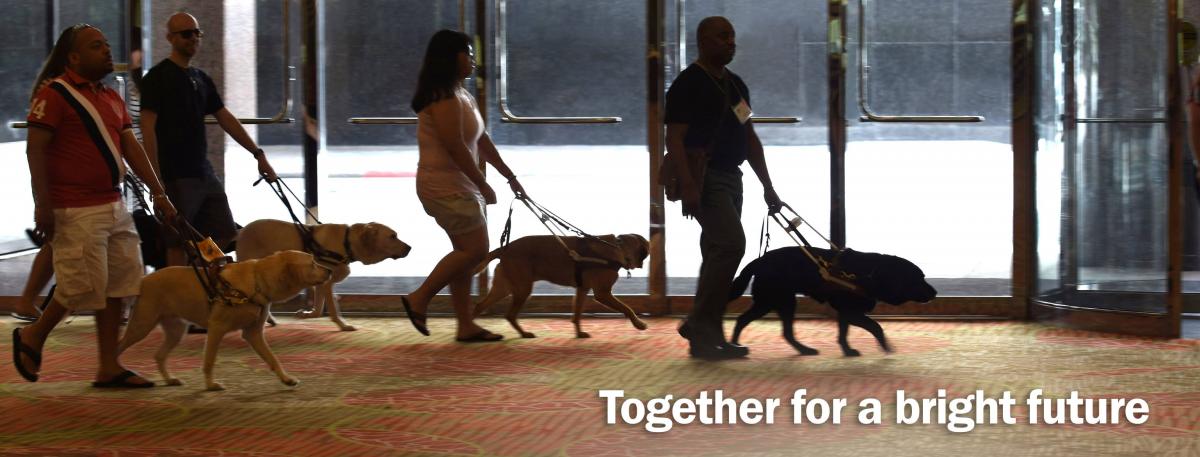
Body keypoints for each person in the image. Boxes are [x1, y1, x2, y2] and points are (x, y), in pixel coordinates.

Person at [11, 23, 178, 387]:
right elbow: (35, 150)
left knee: (119, 284)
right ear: (73, 57)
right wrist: (42, 204)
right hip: (75, 208)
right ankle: (33, 335)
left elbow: (130, 147)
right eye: (95, 46)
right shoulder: (54, 95)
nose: (106, 50)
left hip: (113, 205)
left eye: (105, 44)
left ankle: (108, 367)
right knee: (81, 287)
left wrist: (159, 191)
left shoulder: (111, 96)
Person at [667, 17, 782, 360]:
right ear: (703, 41)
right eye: (722, 36)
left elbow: (749, 137)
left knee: (717, 251)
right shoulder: (688, 84)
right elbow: (674, 137)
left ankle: (706, 332)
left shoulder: (735, 86)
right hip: (705, 178)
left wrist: (768, 186)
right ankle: (700, 326)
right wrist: (689, 185)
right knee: (731, 244)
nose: (730, 42)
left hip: (732, 177)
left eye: (732, 36)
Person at [401, 30, 525, 342]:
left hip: (459, 185)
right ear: (450, 57)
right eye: (467, 53)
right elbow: (456, 147)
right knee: (476, 250)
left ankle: (465, 324)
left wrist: (508, 175)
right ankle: (419, 297)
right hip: (445, 186)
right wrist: (483, 184)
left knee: (464, 253)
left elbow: (481, 140)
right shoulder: (443, 98)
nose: (472, 59)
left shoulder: (462, 94)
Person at [140, 12, 277, 268]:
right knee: (176, 240)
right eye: (186, 33)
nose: (193, 38)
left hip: (203, 172)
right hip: (175, 174)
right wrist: (155, 180)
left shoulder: (200, 78)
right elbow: (147, 128)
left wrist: (258, 154)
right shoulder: (157, 78)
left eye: (196, 33)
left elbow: (225, 117)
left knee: (223, 230)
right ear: (170, 38)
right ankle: (178, 298)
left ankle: (200, 279)